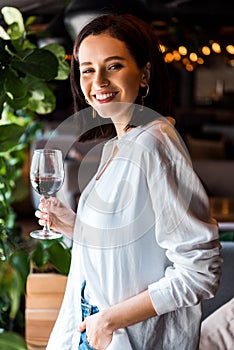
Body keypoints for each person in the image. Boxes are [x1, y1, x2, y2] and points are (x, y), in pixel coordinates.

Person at [35, 14, 222, 350]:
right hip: (90, 323)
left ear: (144, 74)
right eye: (88, 69)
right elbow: (131, 245)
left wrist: (108, 321)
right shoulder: (118, 146)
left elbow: (200, 272)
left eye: (114, 66)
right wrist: (76, 227)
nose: (99, 81)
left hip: (120, 333)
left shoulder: (154, 144)